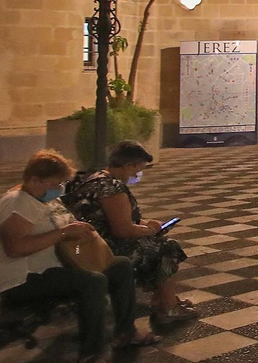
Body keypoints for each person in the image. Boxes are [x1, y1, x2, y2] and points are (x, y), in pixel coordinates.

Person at [0, 150, 152, 363]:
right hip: (24, 279)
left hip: (52, 268)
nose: (59, 189)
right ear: (35, 179)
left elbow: (68, 244)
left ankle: (126, 332)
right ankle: (91, 358)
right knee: (93, 282)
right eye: (56, 183)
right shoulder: (19, 204)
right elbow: (15, 248)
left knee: (120, 267)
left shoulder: (43, 197)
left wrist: (80, 240)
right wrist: (65, 232)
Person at [64, 140, 193, 329]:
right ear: (128, 165)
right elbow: (122, 230)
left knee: (156, 241)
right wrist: (150, 230)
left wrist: (145, 225)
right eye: (137, 170)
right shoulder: (112, 187)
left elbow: (112, 219)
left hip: (93, 241)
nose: (137, 175)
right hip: (105, 246)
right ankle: (168, 308)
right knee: (167, 247)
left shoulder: (95, 179)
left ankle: (164, 299)